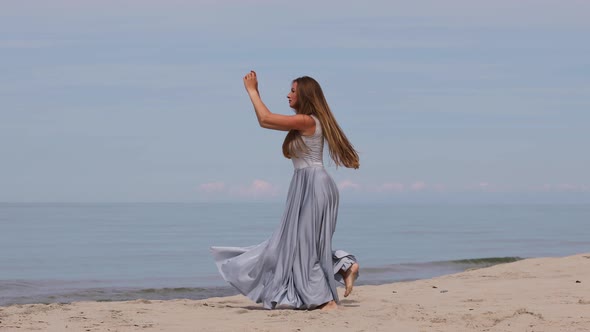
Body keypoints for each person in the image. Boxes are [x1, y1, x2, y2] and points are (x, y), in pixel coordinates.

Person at [210, 71, 360, 310]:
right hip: (304, 184)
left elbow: (265, 119)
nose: (288, 95)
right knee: (291, 244)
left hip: (315, 185)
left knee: (304, 246)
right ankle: (343, 266)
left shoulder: (307, 121)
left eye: (293, 91)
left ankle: (324, 299)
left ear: (305, 95)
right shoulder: (303, 122)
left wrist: (253, 91)